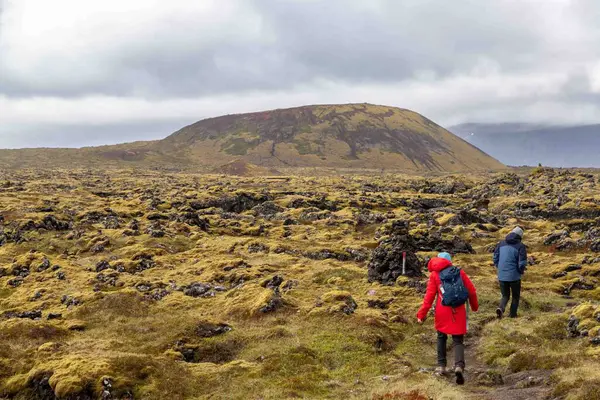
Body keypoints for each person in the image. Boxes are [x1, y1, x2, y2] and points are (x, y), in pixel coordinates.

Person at [416, 253, 479, 385]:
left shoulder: (434, 275)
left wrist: (421, 314)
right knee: (458, 340)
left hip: (442, 311)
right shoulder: (459, 272)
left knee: (441, 337)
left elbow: (429, 297)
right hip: (458, 310)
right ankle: (459, 366)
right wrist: (474, 306)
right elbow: (472, 291)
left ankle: (441, 366)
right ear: (449, 261)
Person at [493, 226, 527, 319]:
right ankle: (512, 315)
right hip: (514, 276)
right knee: (515, 296)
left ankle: (501, 308)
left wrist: (499, 267)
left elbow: (495, 257)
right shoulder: (521, 246)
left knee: (505, 295)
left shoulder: (501, 243)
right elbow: (522, 263)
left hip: (502, 275)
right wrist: (521, 271)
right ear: (520, 236)